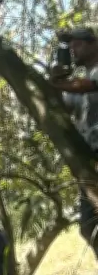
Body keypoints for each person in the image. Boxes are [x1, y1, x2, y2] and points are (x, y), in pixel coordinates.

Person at [50, 27, 98, 256]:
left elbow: (88, 86)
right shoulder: (75, 83)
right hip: (88, 159)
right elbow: (63, 107)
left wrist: (59, 84)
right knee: (89, 227)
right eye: (70, 48)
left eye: (77, 45)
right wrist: (57, 81)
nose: (73, 51)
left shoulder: (92, 75)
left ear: (93, 43)